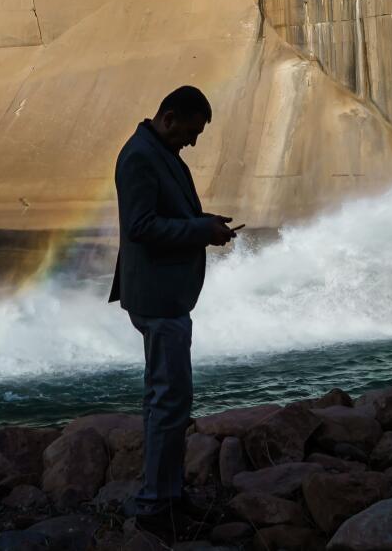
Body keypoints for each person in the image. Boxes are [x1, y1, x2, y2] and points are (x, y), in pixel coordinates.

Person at [109, 84, 237, 540]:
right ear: (167, 118)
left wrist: (203, 224)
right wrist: (200, 230)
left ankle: (165, 495)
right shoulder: (141, 155)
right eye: (190, 131)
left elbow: (167, 214)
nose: (193, 141)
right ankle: (156, 507)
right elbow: (142, 227)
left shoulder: (153, 148)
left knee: (163, 399)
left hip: (162, 296)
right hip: (158, 299)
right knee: (170, 401)